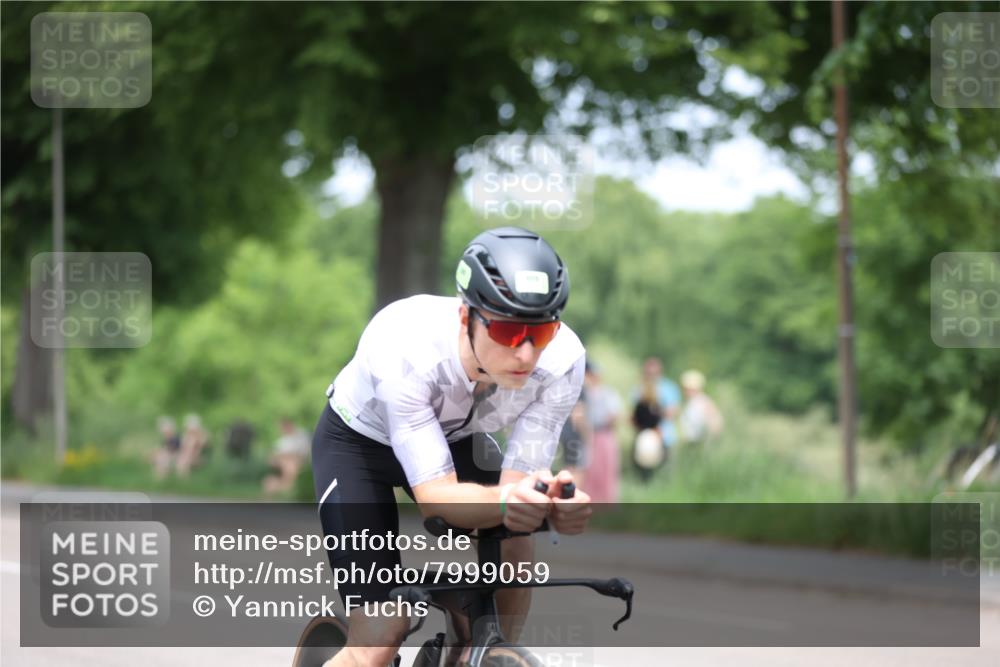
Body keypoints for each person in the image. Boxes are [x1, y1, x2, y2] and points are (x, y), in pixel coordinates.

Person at [312, 226, 592, 666]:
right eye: (506, 331)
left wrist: (545, 502)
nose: (524, 355)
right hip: (358, 447)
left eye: (540, 333)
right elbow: (435, 500)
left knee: (518, 531)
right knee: (380, 636)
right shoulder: (404, 343)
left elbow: (516, 490)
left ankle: (488, 653)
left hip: (457, 440)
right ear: (467, 318)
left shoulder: (563, 362)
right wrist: (509, 501)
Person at [630, 357, 680, 482]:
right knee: (644, 472)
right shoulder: (638, 389)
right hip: (643, 436)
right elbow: (634, 416)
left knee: (663, 470)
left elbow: (672, 411)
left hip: (663, 435)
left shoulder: (668, 388)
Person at [582, 362, 622, 504]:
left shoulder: (608, 393)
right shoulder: (584, 393)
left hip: (604, 434)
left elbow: (614, 415)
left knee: (607, 469)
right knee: (591, 471)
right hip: (590, 435)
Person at [263, 417, 310, 496]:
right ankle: (284, 486)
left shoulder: (301, 437)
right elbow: (271, 457)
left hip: (297, 462)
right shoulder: (281, 441)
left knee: (290, 464)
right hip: (283, 464)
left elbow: (303, 453)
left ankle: (286, 486)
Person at [679, 370, 724, 444]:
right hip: (692, 442)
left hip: (700, 442)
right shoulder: (690, 402)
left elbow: (715, 423)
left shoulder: (703, 401)